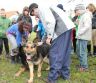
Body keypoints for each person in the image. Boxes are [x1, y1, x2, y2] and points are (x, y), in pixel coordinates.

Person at [29, 3, 75, 83]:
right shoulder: (47, 8)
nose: (35, 16)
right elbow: (48, 28)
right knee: (64, 54)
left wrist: (50, 37)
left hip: (60, 31)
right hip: (67, 29)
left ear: (34, 9)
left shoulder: (42, 8)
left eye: (34, 14)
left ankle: (52, 78)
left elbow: (51, 22)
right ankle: (65, 75)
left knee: (55, 54)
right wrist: (42, 41)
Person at [75, 4, 92, 71]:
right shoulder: (82, 16)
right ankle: (82, 64)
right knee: (78, 51)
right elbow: (83, 25)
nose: (76, 12)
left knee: (82, 52)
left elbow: (87, 26)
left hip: (83, 37)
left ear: (80, 10)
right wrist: (78, 23)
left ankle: (84, 67)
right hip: (80, 36)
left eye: (77, 10)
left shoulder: (86, 15)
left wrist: (79, 33)